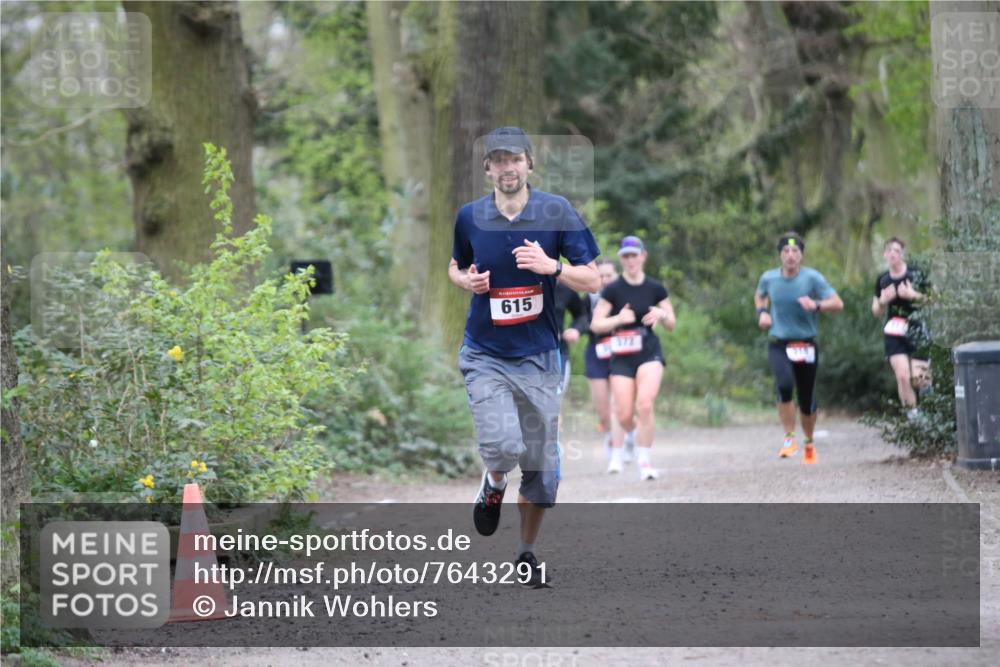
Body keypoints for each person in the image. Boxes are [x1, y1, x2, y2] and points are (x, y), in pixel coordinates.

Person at [449, 127, 600, 587]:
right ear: (487, 169)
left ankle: (526, 552)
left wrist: (552, 267)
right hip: (486, 353)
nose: (507, 168)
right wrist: (467, 282)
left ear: (529, 164)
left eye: (515, 159)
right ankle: (494, 484)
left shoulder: (557, 211)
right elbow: (455, 266)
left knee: (542, 470)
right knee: (503, 447)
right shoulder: (470, 216)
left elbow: (592, 279)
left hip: (539, 357)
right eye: (498, 160)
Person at [590, 236, 675, 480]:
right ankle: (634, 436)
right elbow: (596, 324)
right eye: (626, 256)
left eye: (634, 255)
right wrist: (618, 319)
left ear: (643, 256)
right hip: (622, 355)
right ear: (621, 259)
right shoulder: (613, 290)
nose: (630, 260)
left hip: (649, 351)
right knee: (623, 413)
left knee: (645, 404)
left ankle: (644, 460)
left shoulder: (655, 287)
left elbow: (671, 323)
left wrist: (661, 314)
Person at [755, 232, 843, 464]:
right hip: (779, 343)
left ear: (801, 255)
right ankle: (789, 438)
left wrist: (816, 304)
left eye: (795, 251)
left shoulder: (812, 278)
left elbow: (837, 303)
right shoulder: (769, 278)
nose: (790, 255)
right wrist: (762, 313)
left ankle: (809, 442)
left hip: (805, 344)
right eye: (786, 251)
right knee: (784, 386)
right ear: (780, 255)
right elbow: (760, 296)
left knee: (806, 399)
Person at [579, 260, 633, 460]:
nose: (605, 280)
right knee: (603, 409)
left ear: (616, 275)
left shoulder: (627, 295)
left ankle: (624, 439)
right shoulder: (590, 298)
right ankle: (611, 434)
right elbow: (583, 322)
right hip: (597, 351)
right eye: (601, 276)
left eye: (609, 275)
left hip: (623, 350)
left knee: (619, 403)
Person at [871, 237, 931, 418]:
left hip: (916, 329)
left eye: (896, 251)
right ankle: (913, 418)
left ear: (902, 254)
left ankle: (931, 412)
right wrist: (883, 301)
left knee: (919, 379)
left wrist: (913, 295)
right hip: (894, 331)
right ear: (884, 254)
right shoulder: (882, 279)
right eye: (889, 250)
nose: (892, 254)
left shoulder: (915, 274)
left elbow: (934, 300)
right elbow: (876, 311)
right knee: (903, 376)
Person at [554, 281, 584, 396]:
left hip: (558, 352)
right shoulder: (522, 284)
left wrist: (576, 329)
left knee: (554, 398)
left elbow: (581, 314)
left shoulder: (565, 289)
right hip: (525, 353)